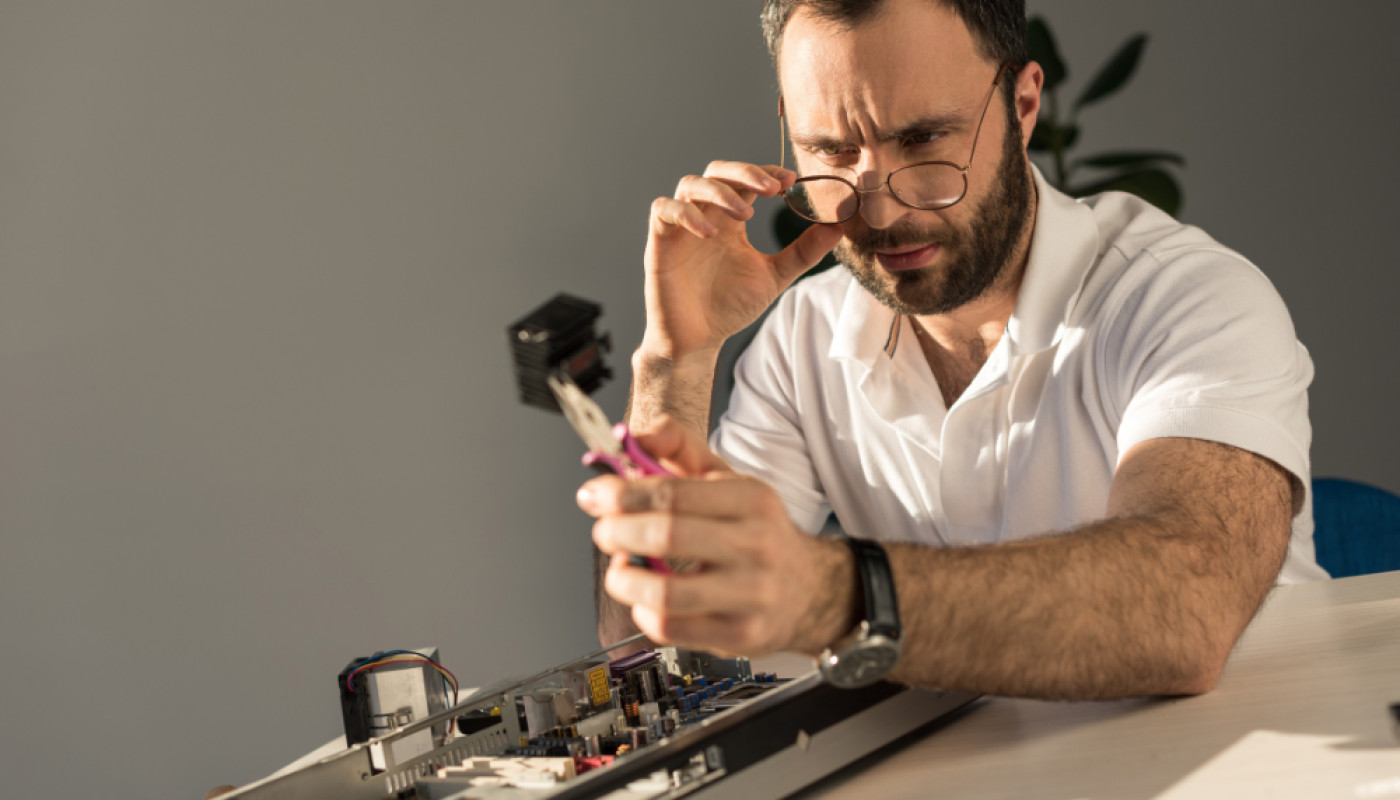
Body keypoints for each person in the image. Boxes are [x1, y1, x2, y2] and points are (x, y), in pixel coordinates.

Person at [575, 0, 1324, 700]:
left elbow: (1185, 604)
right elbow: (649, 652)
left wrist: (835, 594)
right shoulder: (802, 340)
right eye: (832, 151)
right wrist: (677, 363)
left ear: (1024, 106)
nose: (879, 208)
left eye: (924, 139)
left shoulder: (1187, 298)